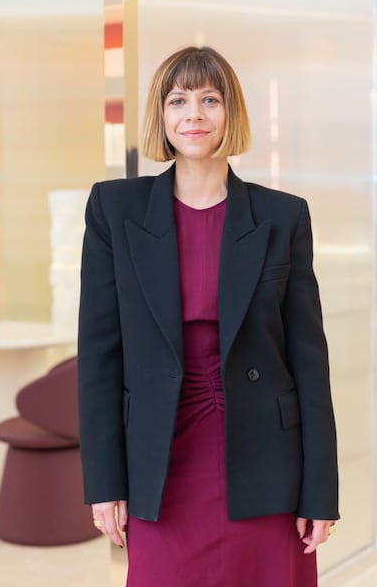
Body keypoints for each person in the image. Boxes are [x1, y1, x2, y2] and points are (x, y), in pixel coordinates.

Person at [77, 45, 339, 587]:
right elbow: (99, 356)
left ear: (231, 113)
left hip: (266, 460)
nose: (193, 114)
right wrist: (103, 483)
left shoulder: (282, 216)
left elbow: (309, 363)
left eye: (209, 99)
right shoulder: (113, 210)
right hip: (161, 460)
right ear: (162, 116)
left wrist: (320, 492)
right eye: (178, 100)